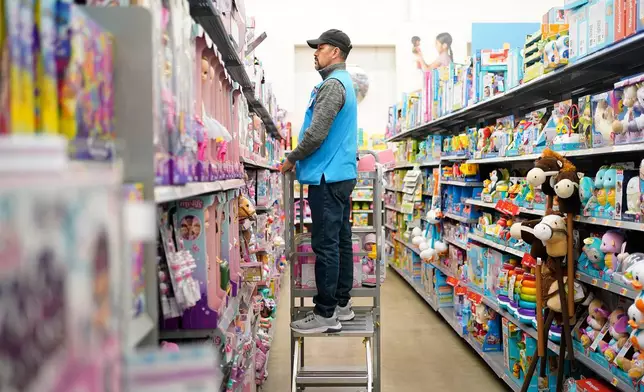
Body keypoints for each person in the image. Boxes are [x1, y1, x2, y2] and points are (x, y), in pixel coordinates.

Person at [281, 29, 358, 334]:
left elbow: (316, 133)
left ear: (335, 52)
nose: (315, 52)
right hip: (340, 174)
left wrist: (292, 157)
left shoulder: (333, 85)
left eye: (320, 48)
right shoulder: (344, 84)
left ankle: (326, 314)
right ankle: (342, 304)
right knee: (340, 241)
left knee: (325, 244)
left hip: (327, 176)